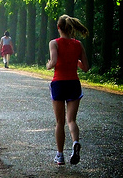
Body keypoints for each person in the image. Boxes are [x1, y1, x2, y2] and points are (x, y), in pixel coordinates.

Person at [46, 14, 89, 165]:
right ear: (71, 28)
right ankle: (75, 142)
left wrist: (48, 65)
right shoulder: (78, 44)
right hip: (73, 83)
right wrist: (75, 60)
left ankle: (60, 155)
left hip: (59, 83)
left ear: (58, 28)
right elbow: (86, 68)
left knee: (59, 122)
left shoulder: (54, 43)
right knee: (71, 120)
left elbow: (54, 61)